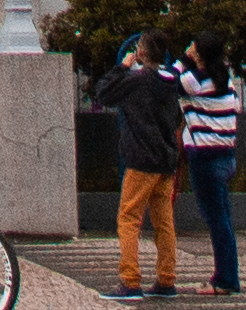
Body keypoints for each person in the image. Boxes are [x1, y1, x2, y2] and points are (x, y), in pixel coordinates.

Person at [87, 26, 183, 298]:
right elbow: (176, 119)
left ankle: (130, 281)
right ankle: (166, 279)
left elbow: (103, 93)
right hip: (165, 160)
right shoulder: (171, 82)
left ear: (141, 52)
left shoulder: (137, 80)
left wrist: (122, 67)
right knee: (164, 221)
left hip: (141, 159)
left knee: (129, 218)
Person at [169, 37, 244, 294]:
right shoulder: (226, 80)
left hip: (204, 156)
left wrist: (184, 59)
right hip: (226, 155)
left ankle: (225, 280)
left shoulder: (195, 79)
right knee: (223, 219)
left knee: (216, 220)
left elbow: (166, 81)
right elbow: (236, 107)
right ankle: (228, 275)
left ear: (199, 54)